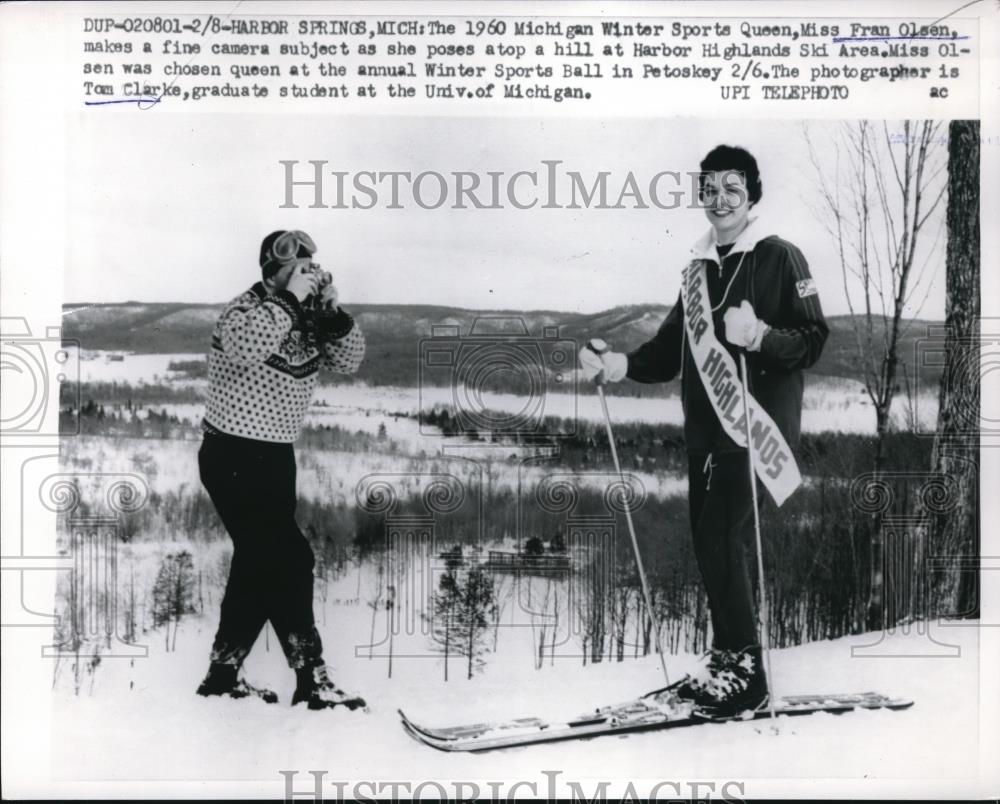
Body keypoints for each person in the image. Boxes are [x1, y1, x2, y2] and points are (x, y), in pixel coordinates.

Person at [579, 145, 828, 717]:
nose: (720, 200)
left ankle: (746, 670)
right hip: (705, 433)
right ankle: (726, 659)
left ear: (752, 196)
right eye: (710, 189)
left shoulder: (779, 257)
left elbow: (813, 339)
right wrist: (620, 364)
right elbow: (670, 350)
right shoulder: (696, 270)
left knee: (724, 537)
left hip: (757, 430)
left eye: (732, 189)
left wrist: (762, 336)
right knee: (708, 542)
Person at [195, 230, 366, 709]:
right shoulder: (244, 311)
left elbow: (350, 361)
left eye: (313, 267)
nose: (309, 274)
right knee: (290, 560)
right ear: (274, 269)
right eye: (300, 268)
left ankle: (223, 673)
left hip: (274, 458)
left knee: (259, 562)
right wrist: (291, 299)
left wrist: (331, 314)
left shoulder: (306, 317)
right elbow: (249, 345)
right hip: (230, 452)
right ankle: (312, 678)